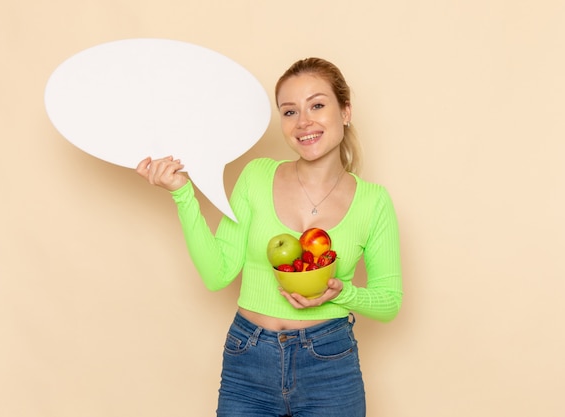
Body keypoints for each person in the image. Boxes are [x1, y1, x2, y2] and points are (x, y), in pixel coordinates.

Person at [136, 57, 402, 417]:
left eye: (318, 105)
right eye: (290, 112)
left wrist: (344, 290)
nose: (304, 122)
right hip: (248, 359)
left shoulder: (373, 201)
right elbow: (218, 275)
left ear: (346, 111)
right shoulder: (256, 176)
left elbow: (389, 301)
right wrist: (183, 194)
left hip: (329, 363)